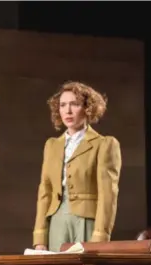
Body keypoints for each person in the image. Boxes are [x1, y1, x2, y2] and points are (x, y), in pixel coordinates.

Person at [33, 81, 122, 252]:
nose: (67, 111)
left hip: (87, 221)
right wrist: (40, 237)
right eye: (63, 105)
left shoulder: (104, 144)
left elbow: (108, 194)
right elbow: (45, 192)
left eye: (74, 104)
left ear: (88, 108)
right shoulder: (51, 145)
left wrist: (100, 235)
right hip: (57, 222)